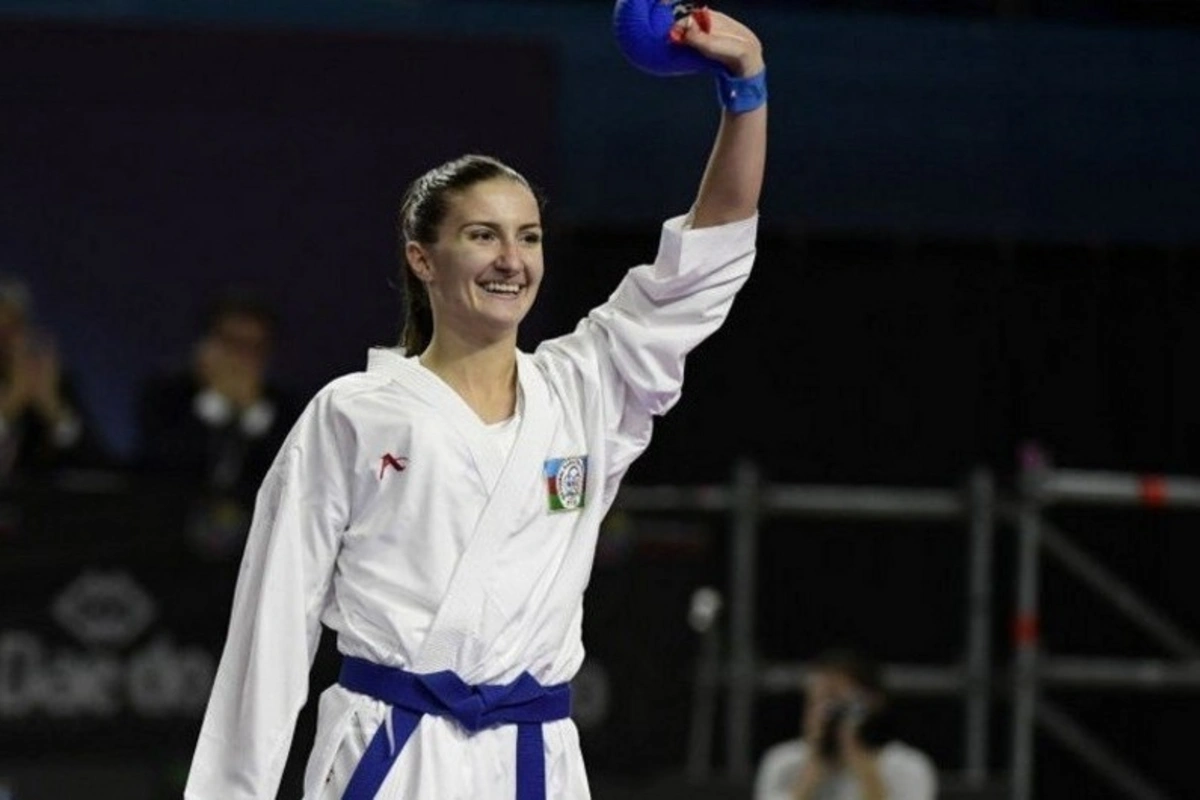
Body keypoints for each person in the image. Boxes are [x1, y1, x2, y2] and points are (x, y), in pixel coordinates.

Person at [185, 6, 767, 798]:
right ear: (422, 259)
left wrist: (746, 87)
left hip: (533, 760)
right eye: (482, 235)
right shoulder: (355, 413)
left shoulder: (585, 390)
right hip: (392, 755)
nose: (511, 259)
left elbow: (706, 259)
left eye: (529, 236)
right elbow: (272, 629)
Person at [137, 291, 296, 556]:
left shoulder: (287, 409)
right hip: (168, 542)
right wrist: (217, 403)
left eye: (253, 348)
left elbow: (288, 484)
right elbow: (157, 467)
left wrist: (253, 413)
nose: (240, 359)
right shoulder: (166, 394)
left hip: (255, 550)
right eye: (231, 344)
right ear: (206, 345)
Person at [754, 650, 937, 800]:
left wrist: (856, 756)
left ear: (873, 703)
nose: (826, 712)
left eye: (836, 701)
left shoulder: (906, 766)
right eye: (816, 701)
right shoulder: (784, 761)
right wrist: (812, 768)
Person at [0, 276, 99, 479]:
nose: (6, 340)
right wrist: (10, 406)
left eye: (13, 326)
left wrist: (53, 409)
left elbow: (99, 468)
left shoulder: (51, 383)